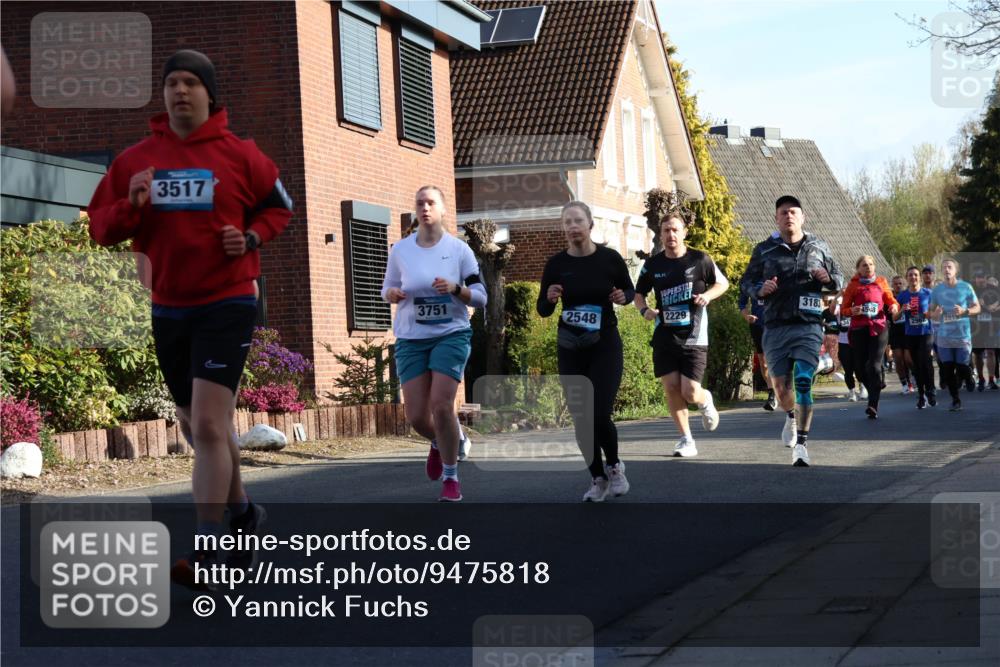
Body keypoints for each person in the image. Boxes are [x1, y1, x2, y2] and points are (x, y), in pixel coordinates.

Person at [87, 50, 292, 588]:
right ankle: (245, 513)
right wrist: (131, 206)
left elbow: (280, 207)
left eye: (191, 83)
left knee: (205, 425)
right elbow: (100, 228)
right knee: (201, 427)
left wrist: (249, 237)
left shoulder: (242, 155)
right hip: (168, 305)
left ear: (209, 94)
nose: (180, 91)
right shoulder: (135, 160)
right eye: (172, 82)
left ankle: (207, 549)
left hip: (227, 300)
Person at [382, 185, 487, 501]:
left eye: (431, 203)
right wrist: (392, 294)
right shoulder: (400, 250)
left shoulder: (459, 251)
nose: (425, 208)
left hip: (451, 334)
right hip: (412, 338)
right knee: (416, 416)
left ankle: (451, 478)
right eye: (420, 203)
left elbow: (481, 297)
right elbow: (387, 287)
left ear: (442, 210)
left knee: (441, 405)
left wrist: (457, 289)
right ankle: (442, 440)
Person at [537, 201, 635, 502]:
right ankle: (597, 477)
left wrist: (623, 296)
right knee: (581, 416)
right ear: (563, 228)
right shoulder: (556, 264)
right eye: (567, 221)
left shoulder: (609, 259)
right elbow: (542, 308)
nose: (572, 226)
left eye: (578, 220)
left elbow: (629, 291)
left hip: (604, 344)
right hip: (570, 345)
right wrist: (551, 299)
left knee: (600, 411)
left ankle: (615, 466)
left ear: (590, 224)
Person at [739, 195, 843, 467]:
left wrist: (828, 280)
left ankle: (802, 445)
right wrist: (759, 289)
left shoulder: (818, 246)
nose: (789, 216)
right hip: (775, 326)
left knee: (804, 381)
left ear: (802, 217)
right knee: (782, 387)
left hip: (808, 325)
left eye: (794, 212)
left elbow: (838, 281)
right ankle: (790, 417)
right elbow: (746, 281)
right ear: (776, 218)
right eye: (783, 212)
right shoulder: (764, 249)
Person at [634, 207, 727, 458]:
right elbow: (638, 294)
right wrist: (645, 311)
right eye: (666, 230)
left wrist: (707, 296)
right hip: (664, 334)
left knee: (690, 391)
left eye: (675, 230)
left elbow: (722, 283)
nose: (671, 234)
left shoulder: (699, 260)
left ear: (684, 232)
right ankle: (686, 439)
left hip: (694, 335)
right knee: (672, 388)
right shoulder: (653, 265)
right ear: (661, 235)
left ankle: (705, 400)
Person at [841, 256, 899, 419]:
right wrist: (852, 311)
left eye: (871, 264)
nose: (868, 267)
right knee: (859, 368)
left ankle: (873, 403)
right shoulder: (853, 285)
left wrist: (894, 306)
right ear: (858, 268)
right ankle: (874, 387)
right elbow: (843, 309)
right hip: (859, 329)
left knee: (873, 365)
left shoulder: (881, 282)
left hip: (878, 327)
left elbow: (890, 299)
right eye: (864, 265)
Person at [928, 258, 980, 411]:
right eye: (944, 267)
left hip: (962, 334)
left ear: (955, 270)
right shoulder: (937, 290)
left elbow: (977, 307)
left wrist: (966, 311)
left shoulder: (966, 287)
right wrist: (935, 314)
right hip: (944, 335)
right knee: (948, 368)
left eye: (949, 267)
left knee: (962, 366)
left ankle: (968, 375)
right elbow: (931, 313)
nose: (946, 270)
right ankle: (955, 400)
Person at [895, 266, 936, 408]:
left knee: (925, 362)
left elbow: (937, 313)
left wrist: (928, 314)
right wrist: (902, 309)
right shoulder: (902, 296)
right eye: (910, 275)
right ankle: (921, 395)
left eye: (916, 275)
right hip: (910, 334)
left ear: (919, 277)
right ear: (907, 278)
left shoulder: (928, 293)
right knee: (916, 366)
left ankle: (930, 390)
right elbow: (894, 317)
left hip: (926, 333)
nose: (913, 277)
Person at [739, 282, 777, 410]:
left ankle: (774, 393)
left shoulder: (776, 277)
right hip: (757, 326)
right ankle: (772, 391)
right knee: (763, 363)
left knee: (772, 359)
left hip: (774, 326)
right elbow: (742, 304)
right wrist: (747, 316)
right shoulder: (750, 281)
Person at [971, 271, 999, 391]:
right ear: (975, 279)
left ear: (986, 278)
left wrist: (996, 306)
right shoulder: (971, 290)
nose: (981, 280)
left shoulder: (993, 288)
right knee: (978, 354)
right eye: (978, 277)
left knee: (991, 352)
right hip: (976, 327)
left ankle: (992, 379)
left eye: (983, 277)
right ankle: (981, 378)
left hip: (991, 326)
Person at [831, 295, 862, 401]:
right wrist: (838, 295)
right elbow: (831, 310)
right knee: (848, 370)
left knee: (859, 367)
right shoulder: (840, 308)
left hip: (857, 341)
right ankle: (852, 392)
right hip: (843, 342)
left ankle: (862, 387)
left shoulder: (857, 307)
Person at [888, 275, 914, 394]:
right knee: (898, 358)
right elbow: (887, 316)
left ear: (903, 285)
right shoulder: (889, 298)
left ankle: (913, 378)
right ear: (892, 285)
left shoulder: (908, 296)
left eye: (900, 283)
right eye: (896, 284)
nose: (898, 286)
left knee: (908, 359)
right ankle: (904, 383)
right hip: (895, 332)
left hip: (908, 331)